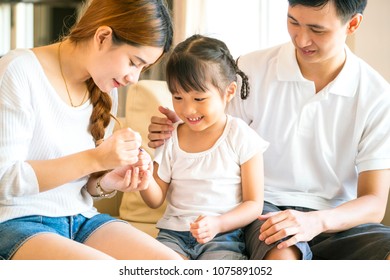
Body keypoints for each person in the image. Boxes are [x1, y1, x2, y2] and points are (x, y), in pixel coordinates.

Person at [147, 0, 390, 260]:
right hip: (266, 210)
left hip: (338, 219)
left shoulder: (376, 95)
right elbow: (211, 130)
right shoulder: (248, 70)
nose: (302, 39)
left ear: (352, 24)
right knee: (283, 253)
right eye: (293, 22)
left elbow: (374, 203)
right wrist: (180, 127)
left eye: (317, 30)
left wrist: (316, 222)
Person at [0, 0, 182, 260]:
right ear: (103, 37)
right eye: (134, 62)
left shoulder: (104, 86)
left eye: (143, 68)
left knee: (172, 265)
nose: (135, 78)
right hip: (16, 221)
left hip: (81, 219)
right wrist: (95, 158)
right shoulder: (19, 71)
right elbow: (4, 179)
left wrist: (108, 179)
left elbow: (86, 188)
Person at [139, 34, 269, 260]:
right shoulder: (171, 136)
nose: (188, 110)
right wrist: (142, 176)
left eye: (199, 99)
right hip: (173, 236)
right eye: (178, 97)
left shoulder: (240, 136)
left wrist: (218, 223)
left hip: (222, 237)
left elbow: (254, 204)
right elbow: (155, 199)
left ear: (229, 92)